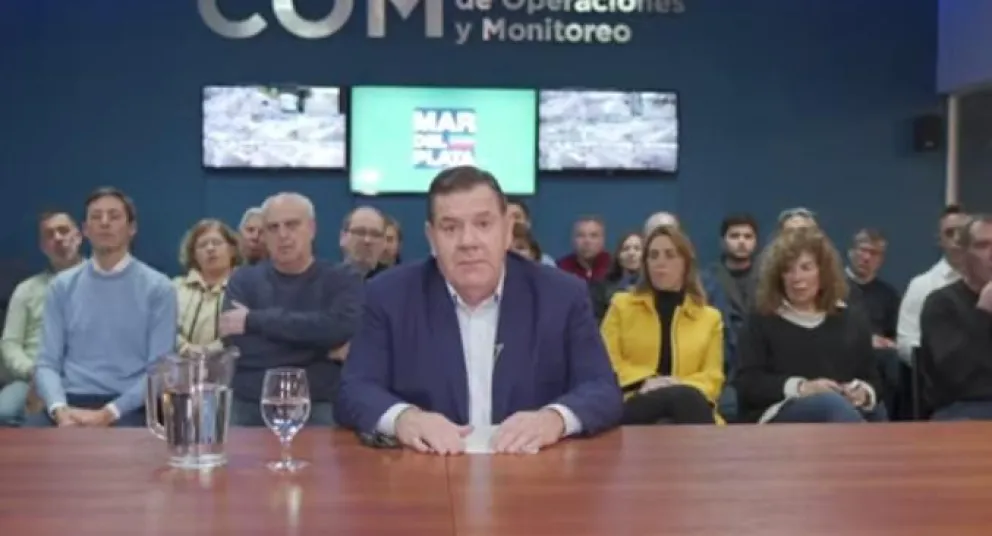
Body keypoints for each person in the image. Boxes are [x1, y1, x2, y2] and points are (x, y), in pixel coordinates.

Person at [336, 166, 623, 454]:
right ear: (431, 237)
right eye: (450, 228)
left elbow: (602, 388)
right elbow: (354, 389)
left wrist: (554, 419)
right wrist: (404, 419)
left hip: (531, 469)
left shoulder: (561, 295)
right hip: (427, 468)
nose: (468, 242)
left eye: (483, 224)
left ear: (507, 230)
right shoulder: (389, 295)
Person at [28, 188, 177, 428]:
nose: (104, 223)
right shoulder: (61, 286)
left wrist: (108, 414)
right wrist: (59, 409)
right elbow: (47, 363)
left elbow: (160, 371)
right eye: (96, 217)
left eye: (114, 216)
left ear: (132, 228)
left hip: (129, 406)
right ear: (85, 230)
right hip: (69, 400)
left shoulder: (159, 288)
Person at [221, 193, 364, 426]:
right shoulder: (243, 281)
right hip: (248, 405)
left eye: (292, 225)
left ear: (312, 229)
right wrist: (322, 352)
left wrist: (253, 320)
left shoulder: (342, 279)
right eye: (273, 228)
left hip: (318, 405)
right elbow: (240, 348)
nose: (283, 235)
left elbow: (341, 328)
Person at [735, 228, 884, 424]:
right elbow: (748, 384)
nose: (797, 278)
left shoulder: (851, 320)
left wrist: (862, 393)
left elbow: (873, 379)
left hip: (842, 413)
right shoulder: (760, 319)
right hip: (779, 417)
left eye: (806, 268)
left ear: (823, 273)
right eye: (788, 270)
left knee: (876, 412)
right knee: (829, 404)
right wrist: (802, 388)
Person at [601, 225, 724, 425]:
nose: (660, 262)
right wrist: (646, 380)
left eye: (670, 255)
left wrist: (677, 386)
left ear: (686, 263)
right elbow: (607, 361)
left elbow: (712, 377)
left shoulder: (710, 318)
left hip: (690, 404)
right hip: (636, 398)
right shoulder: (621, 306)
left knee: (684, 399)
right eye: (653, 255)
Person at [0, 211, 83, 425]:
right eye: (49, 234)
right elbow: (10, 344)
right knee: (4, 412)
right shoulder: (26, 290)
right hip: (31, 377)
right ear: (43, 246)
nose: (58, 238)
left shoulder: (104, 284)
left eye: (63, 231)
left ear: (79, 237)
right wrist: (36, 373)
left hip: (83, 378)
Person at [920, 215, 992, 420]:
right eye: (983, 245)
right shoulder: (941, 303)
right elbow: (955, 376)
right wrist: (984, 312)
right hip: (964, 407)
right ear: (964, 255)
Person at [173, 219, 241, 357]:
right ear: (193, 254)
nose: (210, 249)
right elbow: (163, 327)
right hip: (181, 364)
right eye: (202, 245)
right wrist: (185, 348)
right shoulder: (175, 287)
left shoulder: (245, 288)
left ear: (232, 250)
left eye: (217, 243)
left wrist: (210, 352)